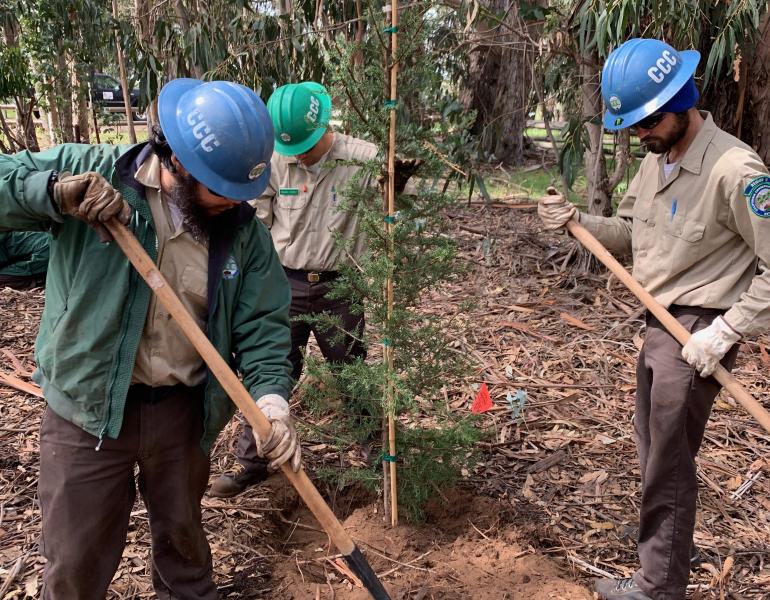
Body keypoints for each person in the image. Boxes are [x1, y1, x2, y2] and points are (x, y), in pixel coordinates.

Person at [0, 78, 300, 599]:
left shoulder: (242, 233)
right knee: (74, 566)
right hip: (88, 411)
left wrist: (271, 402)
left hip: (182, 414)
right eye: (220, 190)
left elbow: (264, 325)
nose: (233, 202)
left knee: (185, 557)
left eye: (241, 192)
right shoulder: (92, 171)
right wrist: (50, 195)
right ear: (179, 162)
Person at [538, 38, 770, 600]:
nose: (639, 135)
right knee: (656, 449)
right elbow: (629, 236)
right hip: (659, 322)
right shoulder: (656, 160)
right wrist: (577, 220)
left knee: (666, 458)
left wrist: (725, 332)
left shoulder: (735, 170)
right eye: (632, 126)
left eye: (648, 122)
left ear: (683, 98)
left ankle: (658, 585)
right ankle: (668, 543)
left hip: (698, 331)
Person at [208, 81, 378, 498]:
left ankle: (379, 457)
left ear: (322, 127)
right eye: (289, 146)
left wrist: (401, 182)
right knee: (272, 371)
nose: (297, 153)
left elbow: (401, 201)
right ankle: (254, 462)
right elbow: (258, 221)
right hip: (284, 284)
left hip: (341, 287)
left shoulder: (366, 159)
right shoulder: (275, 163)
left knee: (351, 373)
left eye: (303, 144)